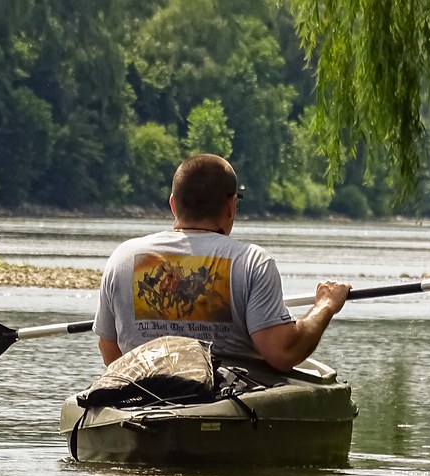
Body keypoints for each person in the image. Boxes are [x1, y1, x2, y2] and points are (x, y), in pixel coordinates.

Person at [94, 154, 350, 372]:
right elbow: (283, 353)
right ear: (231, 206)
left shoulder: (123, 257)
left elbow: (110, 350)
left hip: (142, 403)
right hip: (228, 406)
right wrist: (326, 305)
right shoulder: (253, 261)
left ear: (173, 204)